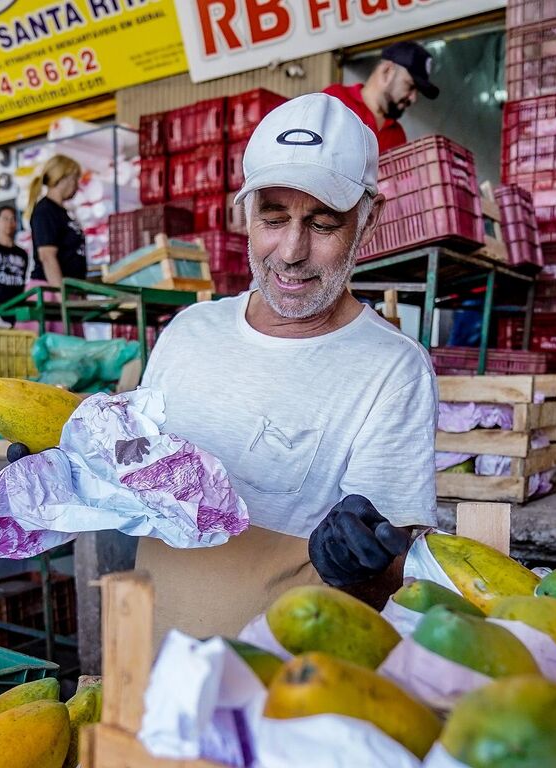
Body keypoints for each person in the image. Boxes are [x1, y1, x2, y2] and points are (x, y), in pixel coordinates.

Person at [131, 93, 439, 638]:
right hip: (150, 685)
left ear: (368, 223)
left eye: (323, 225)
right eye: (273, 218)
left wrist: (364, 568)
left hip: (283, 701)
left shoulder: (394, 372)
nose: (291, 251)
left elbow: (394, 580)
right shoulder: (187, 333)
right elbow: (129, 487)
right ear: (244, 214)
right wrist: (64, 469)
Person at [321, 41, 439, 154]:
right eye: (410, 86)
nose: (413, 98)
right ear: (387, 71)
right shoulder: (335, 99)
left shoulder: (397, 135)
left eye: (417, 92)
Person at [27, 155, 88, 290]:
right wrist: (62, 296)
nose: (77, 186)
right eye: (74, 179)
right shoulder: (45, 211)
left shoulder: (63, 212)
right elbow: (47, 256)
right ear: (62, 179)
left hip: (69, 288)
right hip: (52, 291)